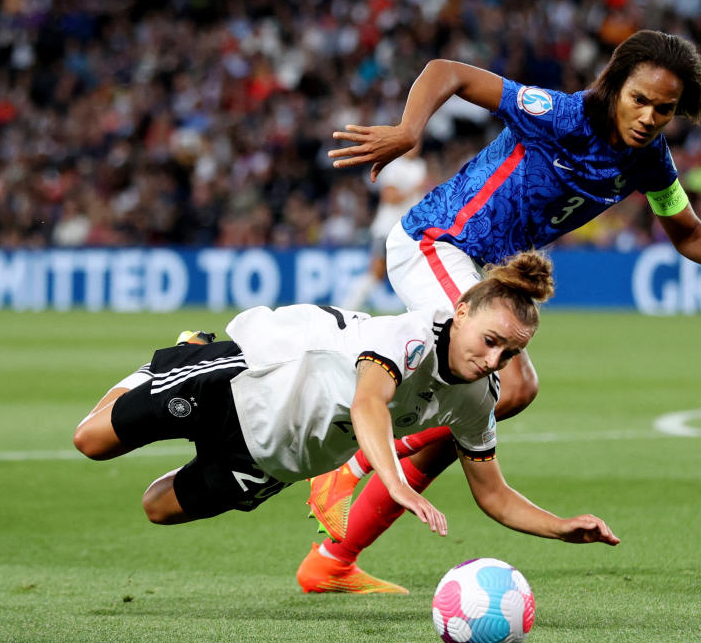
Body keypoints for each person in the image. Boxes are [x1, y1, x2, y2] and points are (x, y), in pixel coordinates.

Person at [299, 30, 701, 592]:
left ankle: (333, 559)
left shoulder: (650, 160)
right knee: (496, 391)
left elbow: (686, 232)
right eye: (640, 100)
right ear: (614, 85)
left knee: (494, 401)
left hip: (481, 270)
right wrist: (409, 131)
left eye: (665, 109)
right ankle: (349, 471)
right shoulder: (558, 113)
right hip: (437, 242)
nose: (650, 117)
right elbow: (446, 70)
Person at [72, 251, 619, 592]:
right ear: (461, 314)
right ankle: (172, 359)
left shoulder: (477, 396)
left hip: (271, 458)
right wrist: (398, 485)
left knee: (157, 508)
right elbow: (368, 406)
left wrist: (561, 526)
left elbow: (493, 493)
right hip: (248, 381)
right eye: (490, 341)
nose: (494, 360)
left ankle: (179, 392)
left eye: (509, 352)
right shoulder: (410, 337)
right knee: (90, 441)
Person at [343, 145, 430, 312]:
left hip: (409, 231)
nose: (416, 147)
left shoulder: (420, 166)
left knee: (415, 271)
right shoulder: (393, 166)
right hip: (388, 228)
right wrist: (415, 188)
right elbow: (389, 197)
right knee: (376, 272)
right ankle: (348, 307)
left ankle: (419, 312)